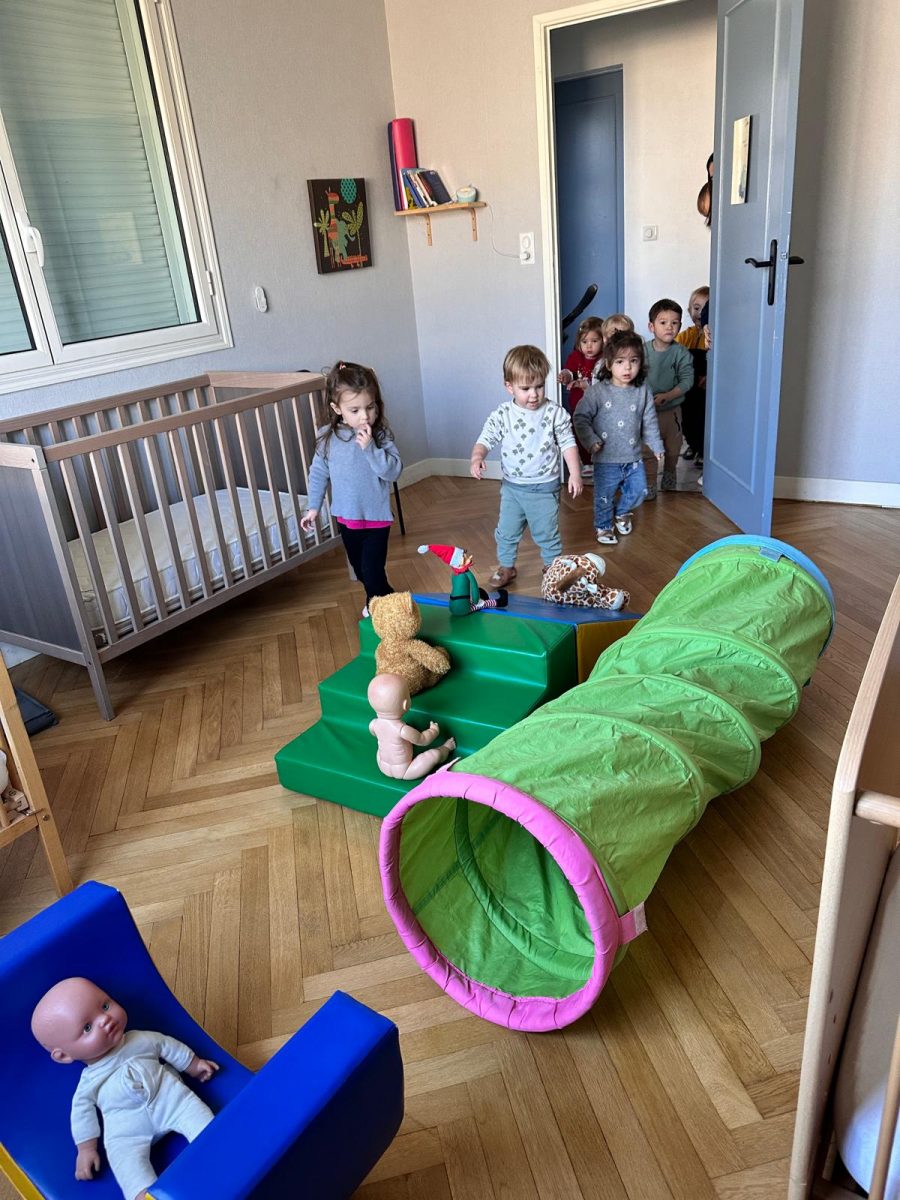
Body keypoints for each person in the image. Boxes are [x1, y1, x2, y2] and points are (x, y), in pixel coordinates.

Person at [31, 977, 219, 1200]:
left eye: (105, 1006)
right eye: (87, 1028)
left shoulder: (139, 1039)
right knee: (126, 1162)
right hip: (127, 1131)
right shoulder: (88, 1083)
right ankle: (141, 1193)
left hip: (171, 1100)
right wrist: (86, 1149)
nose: (105, 1020)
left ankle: (221, 1154)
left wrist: (194, 1064)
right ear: (63, 1056)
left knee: (203, 1121)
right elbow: (82, 1114)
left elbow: (168, 1046)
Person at [470, 345, 583, 588]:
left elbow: (568, 443)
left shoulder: (554, 413)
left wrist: (575, 473)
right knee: (506, 531)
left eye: (539, 386)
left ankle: (552, 568)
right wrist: (477, 457)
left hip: (544, 488)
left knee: (547, 532)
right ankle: (506, 566)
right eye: (525, 388)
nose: (534, 395)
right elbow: (485, 438)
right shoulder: (503, 414)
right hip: (512, 487)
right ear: (509, 386)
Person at [301, 361, 402, 617]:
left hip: (376, 518)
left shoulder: (380, 436)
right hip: (347, 518)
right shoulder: (327, 437)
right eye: (355, 410)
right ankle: (387, 599)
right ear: (337, 409)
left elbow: (393, 471)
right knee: (360, 571)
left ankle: (381, 611)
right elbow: (318, 473)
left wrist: (370, 449)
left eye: (370, 407)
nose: (364, 416)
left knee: (372, 571)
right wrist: (313, 507)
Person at [573, 331, 663, 545]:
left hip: (633, 457)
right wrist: (590, 440)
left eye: (634, 361)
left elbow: (649, 420)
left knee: (640, 491)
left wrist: (656, 445)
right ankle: (604, 527)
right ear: (608, 364)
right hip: (606, 459)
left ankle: (622, 512)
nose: (627, 368)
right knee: (604, 496)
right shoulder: (597, 392)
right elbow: (580, 417)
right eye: (620, 361)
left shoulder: (643, 390)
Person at [642, 299, 694, 496]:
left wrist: (668, 396)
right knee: (647, 448)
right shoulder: (642, 351)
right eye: (663, 322)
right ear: (651, 326)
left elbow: (687, 381)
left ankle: (670, 473)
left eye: (674, 322)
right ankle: (650, 483)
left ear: (680, 326)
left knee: (673, 447)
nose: (669, 327)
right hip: (647, 412)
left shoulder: (681, 353)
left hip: (672, 411)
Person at [367, 673, 456, 780]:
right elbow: (423, 740)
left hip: (382, 764)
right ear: (405, 704)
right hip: (405, 771)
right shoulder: (403, 730)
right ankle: (446, 748)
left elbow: (375, 734)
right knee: (434, 755)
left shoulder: (373, 724)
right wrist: (433, 730)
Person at [557, 316, 604, 474]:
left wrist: (586, 385)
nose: (589, 346)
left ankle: (599, 461)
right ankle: (586, 462)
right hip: (578, 406)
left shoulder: (604, 359)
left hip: (599, 407)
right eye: (584, 342)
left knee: (598, 433)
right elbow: (569, 371)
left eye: (594, 341)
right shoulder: (575, 357)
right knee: (580, 433)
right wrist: (565, 376)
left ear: (603, 341)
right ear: (579, 343)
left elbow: (605, 383)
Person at [676, 286, 710, 466]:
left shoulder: (713, 336)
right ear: (689, 310)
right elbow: (675, 357)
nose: (700, 313)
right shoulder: (684, 336)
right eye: (696, 308)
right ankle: (692, 444)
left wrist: (710, 376)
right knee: (686, 418)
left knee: (702, 418)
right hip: (687, 386)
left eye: (705, 308)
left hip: (704, 387)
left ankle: (704, 449)